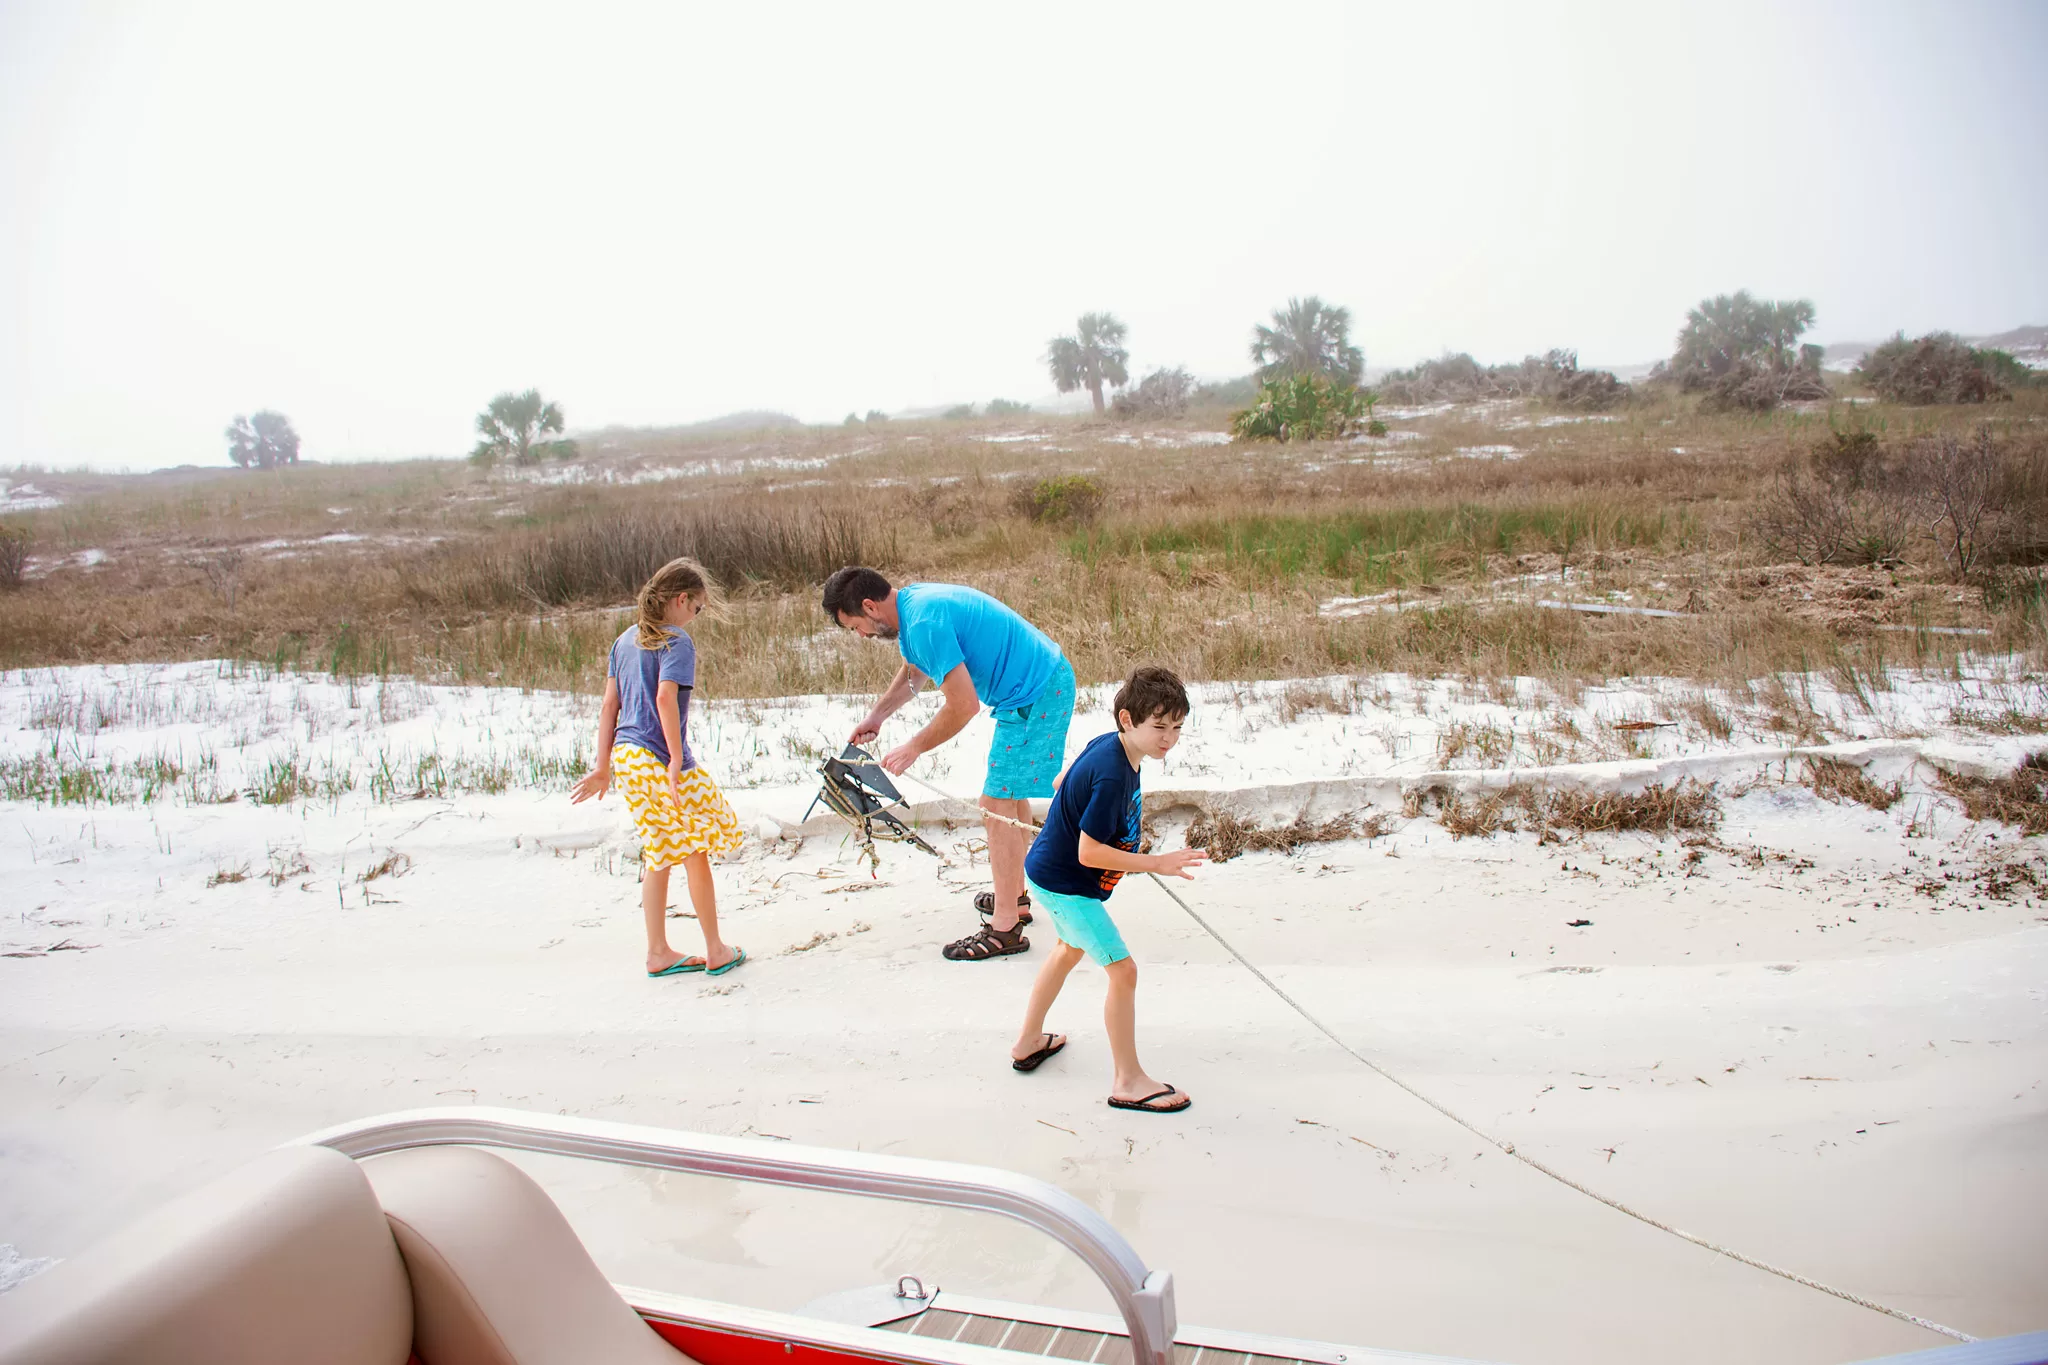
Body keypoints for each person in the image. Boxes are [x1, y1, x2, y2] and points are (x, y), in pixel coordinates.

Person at [822, 566, 1074, 961]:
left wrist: (914, 747)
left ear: (870, 607)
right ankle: (1016, 898)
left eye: (855, 626)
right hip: (1035, 684)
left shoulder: (923, 621)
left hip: (1037, 691)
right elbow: (914, 671)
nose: (861, 635)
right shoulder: (913, 607)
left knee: (995, 807)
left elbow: (964, 705)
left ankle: (1005, 928)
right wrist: (877, 717)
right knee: (1008, 799)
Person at [1007, 666, 1204, 1113]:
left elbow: (1062, 781)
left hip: (1049, 874)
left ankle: (1027, 1042)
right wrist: (1157, 863)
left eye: (1176, 727)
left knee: (1067, 950)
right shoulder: (1114, 774)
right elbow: (1090, 853)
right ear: (1127, 720)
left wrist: (1073, 800)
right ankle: (1128, 1081)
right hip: (1066, 885)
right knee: (1123, 971)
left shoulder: (1110, 746)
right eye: (1159, 727)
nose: (1169, 738)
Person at [571, 557, 747, 979]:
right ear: (682, 600)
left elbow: (609, 707)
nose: (696, 617)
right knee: (695, 847)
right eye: (698, 608)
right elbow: (666, 699)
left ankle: (657, 952)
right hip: (657, 757)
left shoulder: (624, 640)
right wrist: (673, 761)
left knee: (660, 851)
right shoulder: (677, 641)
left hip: (627, 757)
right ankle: (716, 949)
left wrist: (601, 767)